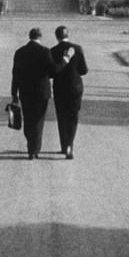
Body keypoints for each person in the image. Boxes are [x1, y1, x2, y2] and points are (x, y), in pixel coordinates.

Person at [11, 27, 73, 159]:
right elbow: (54, 70)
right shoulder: (45, 51)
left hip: (25, 91)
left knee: (28, 119)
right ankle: (35, 150)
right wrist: (65, 59)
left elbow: (15, 74)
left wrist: (14, 93)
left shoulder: (20, 52)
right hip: (41, 92)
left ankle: (31, 147)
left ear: (29, 37)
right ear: (40, 37)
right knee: (38, 121)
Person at [50, 26, 88, 160]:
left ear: (56, 37)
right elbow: (84, 70)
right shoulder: (77, 48)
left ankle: (63, 145)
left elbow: (52, 72)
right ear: (69, 34)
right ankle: (69, 146)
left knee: (61, 117)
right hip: (75, 87)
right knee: (73, 117)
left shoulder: (53, 51)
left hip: (60, 88)